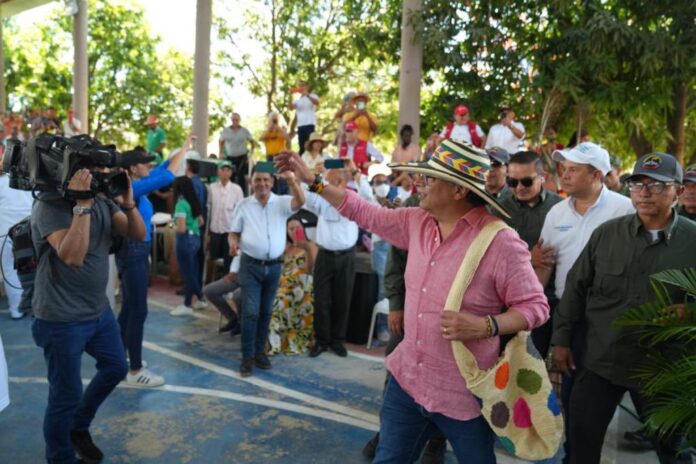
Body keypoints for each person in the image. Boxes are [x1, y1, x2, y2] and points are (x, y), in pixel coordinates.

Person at [275, 139, 549, 463]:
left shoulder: (501, 242)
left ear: (458, 190)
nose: (421, 183)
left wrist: (486, 325)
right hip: (407, 384)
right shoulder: (417, 221)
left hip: (466, 395)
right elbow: (363, 211)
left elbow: (535, 307)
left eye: (431, 178)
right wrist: (312, 180)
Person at [552, 153, 695, 464]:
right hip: (603, 360)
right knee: (580, 444)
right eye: (637, 184)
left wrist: (691, 313)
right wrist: (561, 341)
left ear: (679, 191)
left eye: (656, 186)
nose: (644, 192)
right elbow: (576, 288)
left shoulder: (692, 241)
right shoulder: (608, 234)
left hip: (662, 369)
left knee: (675, 453)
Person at [31, 165, 146, 464]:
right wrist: (82, 205)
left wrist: (129, 202)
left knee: (116, 367)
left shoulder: (105, 201)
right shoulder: (49, 204)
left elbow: (137, 233)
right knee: (65, 396)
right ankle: (61, 458)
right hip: (61, 318)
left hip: (97, 312)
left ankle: (77, 426)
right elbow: (72, 256)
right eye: (94, 170)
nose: (100, 176)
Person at [534, 142, 634, 457]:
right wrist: (534, 312)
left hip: (609, 321)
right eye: (564, 168)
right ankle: (573, 451)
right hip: (565, 318)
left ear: (597, 175)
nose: (564, 174)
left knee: (591, 397)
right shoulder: (556, 212)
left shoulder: (625, 209)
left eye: (574, 169)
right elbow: (545, 266)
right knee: (567, 390)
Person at [118, 138, 191, 387]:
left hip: (135, 250)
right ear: (132, 169)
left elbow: (161, 171)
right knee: (138, 310)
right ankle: (135, 370)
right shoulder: (130, 189)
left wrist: (182, 149)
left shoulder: (136, 185)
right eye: (144, 163)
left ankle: (120, 358)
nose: (149, 166)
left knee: (129, 308)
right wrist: (184, 152)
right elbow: (166, 177)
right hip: (134, 251)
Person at [229, 165, 305, 376]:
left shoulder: (281, 202)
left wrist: (291, 181)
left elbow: (300, 201)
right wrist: (233, 243)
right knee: (251, 312)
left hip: (274, 267)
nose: (261, 184)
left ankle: (259, 352)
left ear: (272, 182)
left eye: (265, 180)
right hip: (250, 266)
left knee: (266, 312)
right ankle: (247, 357)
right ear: (251, 182)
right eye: (257, 180)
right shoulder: (243, 205)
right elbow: (233, 232)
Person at [492, 151, 563, 357]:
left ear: (543, 177)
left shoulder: (560, 208)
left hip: (545, 301)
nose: (519, 188)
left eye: (526, 181)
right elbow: (487, 254)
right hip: (504, 302)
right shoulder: (497, 210)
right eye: (512, 182)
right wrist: (527, 259)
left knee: (533, 369)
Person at [303, 168, 361, 358]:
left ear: (344, 183)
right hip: (325, 255)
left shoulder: (353, 197)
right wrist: (316, 175)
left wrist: (357, 177)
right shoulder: (321, 197)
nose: (330, 183)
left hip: (346, 256)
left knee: (342, 300)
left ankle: (337, 341)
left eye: (335, 180)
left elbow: (370, 196)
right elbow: (307, 196)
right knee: (321, 300)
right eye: (329, 180)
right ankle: (321, 341)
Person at [268, 217, 318, 355]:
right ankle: (274, 342)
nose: (295, 231)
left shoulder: (311, 245)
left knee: (279, 301)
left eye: (298, 227)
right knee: (272, 300)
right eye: (291, 228)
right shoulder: (286, 247)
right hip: (284, 284)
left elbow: (310, 270)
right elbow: (279, 268)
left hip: (302, 284)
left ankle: (288, 340)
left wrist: (306, 249)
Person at [0, 158, 34, 320]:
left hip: (5, 233)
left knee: (10, 271)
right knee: (33, 270)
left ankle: (17, 310)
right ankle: (34, 306)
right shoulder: (32, 180)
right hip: (28, 230)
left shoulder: (1, 182)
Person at [170, 177, 207, 316]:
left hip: (185, 240)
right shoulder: (193, 201)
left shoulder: (180, 204)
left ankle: (192, 302)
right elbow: (201, 222)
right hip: (196, 239)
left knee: (187, 274)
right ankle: (194, 301)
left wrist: (171, 224)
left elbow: (181, 228)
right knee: (192, 271)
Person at [207, 160, 244, 275]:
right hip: (215, 229)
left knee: (229, 258)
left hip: (230, 231)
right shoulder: (211, 188)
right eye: (222, 169)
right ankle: (213, 279)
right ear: (218, 172)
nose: (225, 172)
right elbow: (208, 208)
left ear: (231, 173)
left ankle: (226, 283)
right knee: (213, 257)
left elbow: (240, 211)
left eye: (228, 170)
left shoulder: (237, 189)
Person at [203, 255, 243, 335]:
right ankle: (232, 318)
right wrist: (233, 271)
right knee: (209, 290)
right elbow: (238, 256)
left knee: (237, 296)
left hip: (255, 278)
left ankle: (241, 323)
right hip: (239, 274)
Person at [219, 113, 257, 195]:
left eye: (237, 120)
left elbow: (253, 142)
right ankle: (229, 194)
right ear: (231, 120)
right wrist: (221, 153)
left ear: (239, 121)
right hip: (229, 157)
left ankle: (242, 195)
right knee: (229, 176)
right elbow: (221, 142)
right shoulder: (226, 131)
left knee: (241, 177)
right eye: (233, 120)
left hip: (242, 157)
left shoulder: (244, 131)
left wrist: (251, 153)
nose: (235, 121)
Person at [289, 81, 319, 151]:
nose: (301, 88)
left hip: (309, 124)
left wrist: (307, 95)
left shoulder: (312, 96)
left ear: (307, 87)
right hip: (300, 126)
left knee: (310, 145)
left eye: (303, 86)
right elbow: (290, 107)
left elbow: (317, 102)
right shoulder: (298, 100)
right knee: (302, 146)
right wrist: (290, 95)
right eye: (300, 86)